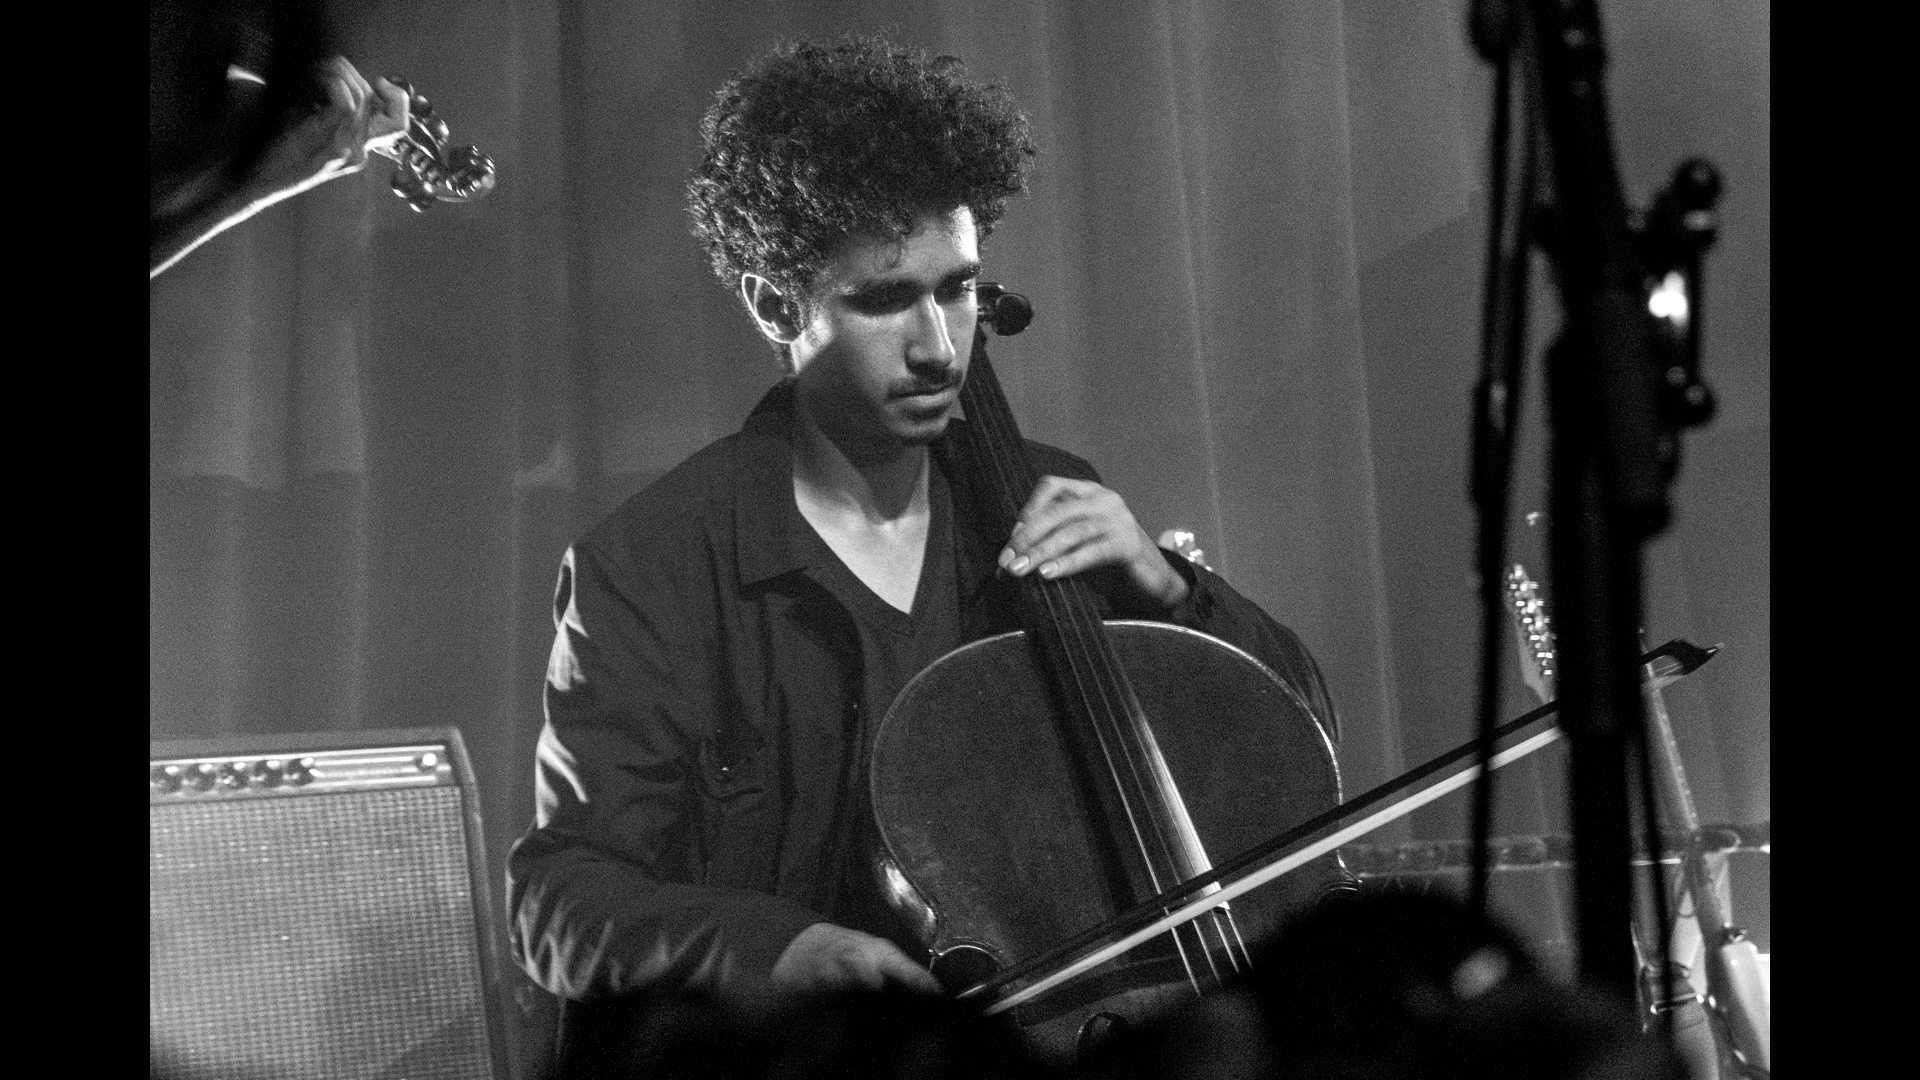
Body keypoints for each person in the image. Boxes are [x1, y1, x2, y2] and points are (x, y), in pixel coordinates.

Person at [505, 36, 1343, 1021]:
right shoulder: (655, 565)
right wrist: (780, 950)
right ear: (777, 303)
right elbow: (559, 900)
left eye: (957, 289)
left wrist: (1167, 591)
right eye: (886, 300)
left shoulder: (1049, 500)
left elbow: (1290, 743)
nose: (941, 348)